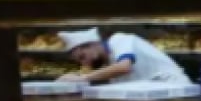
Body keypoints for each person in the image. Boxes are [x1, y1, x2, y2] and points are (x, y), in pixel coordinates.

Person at [57, 27, 190, 84]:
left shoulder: (119, 39)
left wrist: (83, 78)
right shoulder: (109, 65)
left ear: (91, 45)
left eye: (82, 57)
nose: (84, 64)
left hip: (174, 87)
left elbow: (124, 67)